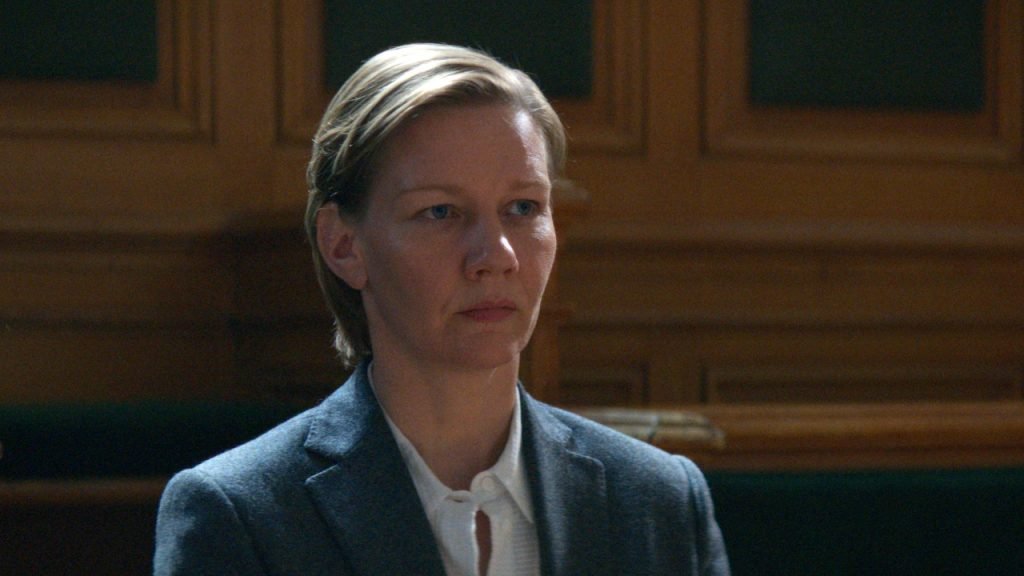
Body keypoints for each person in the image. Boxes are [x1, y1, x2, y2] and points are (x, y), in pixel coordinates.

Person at [154, 43, 730, 576]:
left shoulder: (658, 501)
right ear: (344, 246)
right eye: (440, 212)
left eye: (523, 207)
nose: (496, 256)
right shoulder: (242, 515)